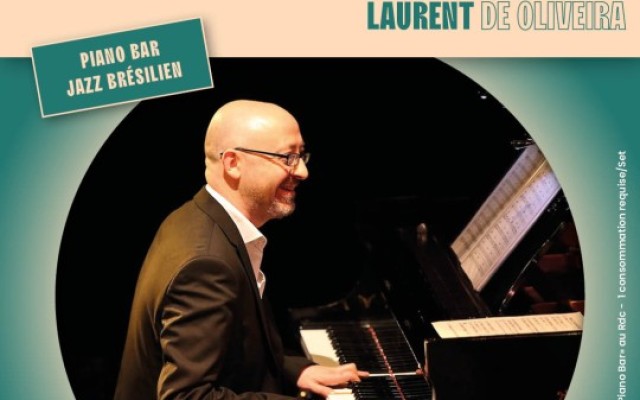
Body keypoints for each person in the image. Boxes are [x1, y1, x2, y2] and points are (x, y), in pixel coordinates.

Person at [114, 99, 368, 400]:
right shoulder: (207, 264)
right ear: (233, 163)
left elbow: (236, 348)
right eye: (288, 157)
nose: (302, 171)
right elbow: (187, 396)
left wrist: (295, 370)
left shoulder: (195, 217)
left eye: (301, 156)